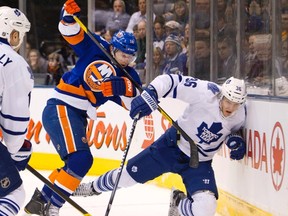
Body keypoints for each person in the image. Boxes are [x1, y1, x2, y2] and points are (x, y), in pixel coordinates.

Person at [24, 0, 141, 215]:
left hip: (78, 115)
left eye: (131, 57)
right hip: (62, 106)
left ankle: (42, 201)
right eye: (124, 55)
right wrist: (67, 15)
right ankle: (53, 207)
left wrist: (127, 87)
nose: (127, 60)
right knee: (81, 159)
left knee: (76, 163)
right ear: (113, 48)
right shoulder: (96, 46)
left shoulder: (129, 75)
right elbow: (71, 32)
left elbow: (139, 107)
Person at [72, 75, 247, 216]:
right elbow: (169, 81)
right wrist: (151, 94)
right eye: (228, 101)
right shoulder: (205, 92)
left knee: (206, 209)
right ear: (221, 95)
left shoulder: (240, 115)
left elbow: (233, 131)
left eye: (236, 103)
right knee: (125, 177)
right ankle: (92, 188)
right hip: (171, 147)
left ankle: (178, 203)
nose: (231, 107)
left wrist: (235, 140)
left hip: (199, 162)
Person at [0, 6, 33, 216]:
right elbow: (15, 117)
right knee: (13, 193)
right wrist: (15, 150)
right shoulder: (13, 62)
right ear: (12, 33)